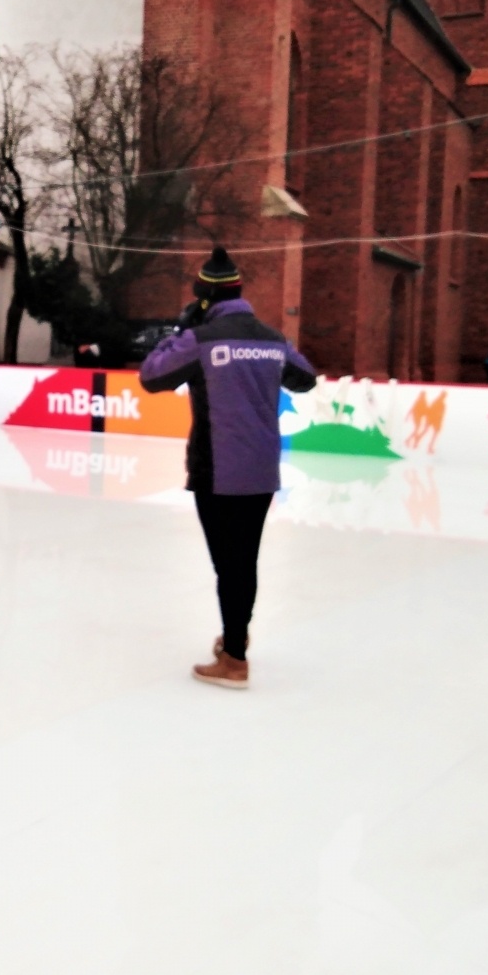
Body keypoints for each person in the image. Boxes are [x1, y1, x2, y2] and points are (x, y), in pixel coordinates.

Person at [140, 247, 317, 689]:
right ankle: (235, 637)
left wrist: (179, 330)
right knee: (244, 562)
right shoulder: (272, 339)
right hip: (260, 470)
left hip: (217, 470)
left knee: (229, 566)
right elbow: (305, 376)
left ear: (203, 297)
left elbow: (152, 375)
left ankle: (235, 658)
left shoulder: (201, 339)